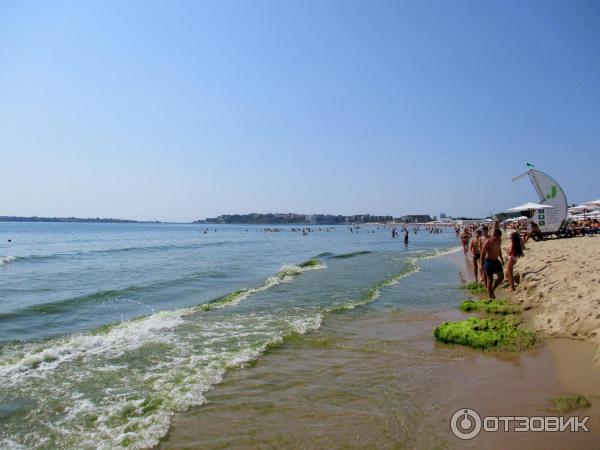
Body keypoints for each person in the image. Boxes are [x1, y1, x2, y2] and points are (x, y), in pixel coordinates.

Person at [480, 228, 504, 299]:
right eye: (496, 236)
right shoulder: (488, 241)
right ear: (494, 235)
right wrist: (481, 265)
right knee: (490, 280)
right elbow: (483, 253)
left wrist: (502, 259)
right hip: (489, 261)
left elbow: (499, 250)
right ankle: (490, 296)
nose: (497, 238)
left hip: (496, 261)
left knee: (501, 277)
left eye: (499, 237)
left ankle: (492, 290)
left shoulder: (500, 240)